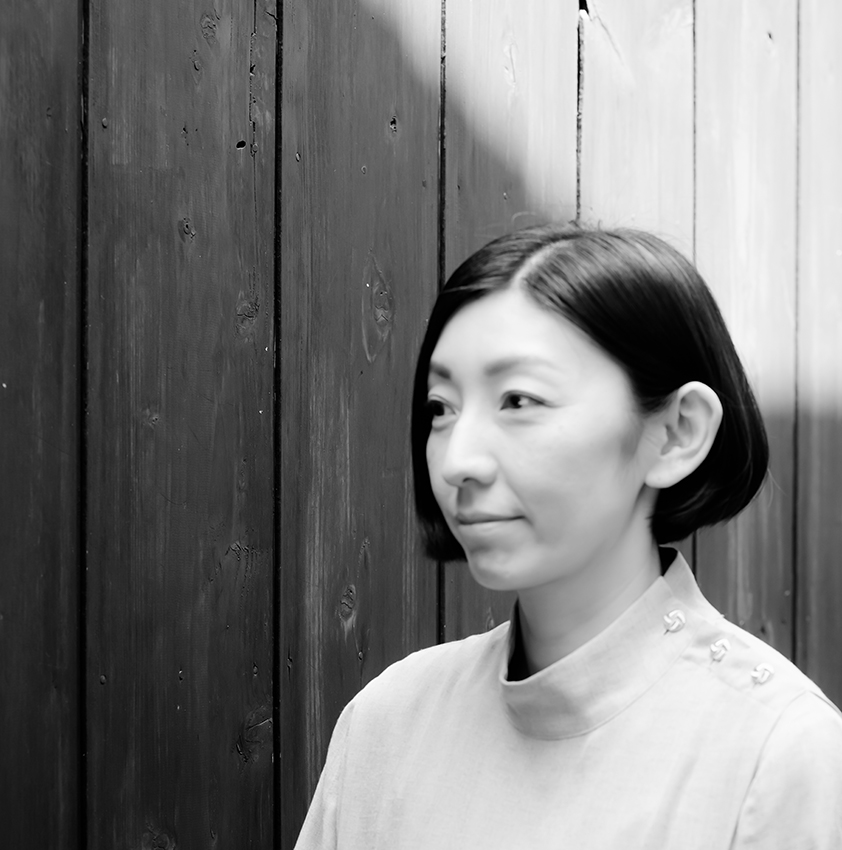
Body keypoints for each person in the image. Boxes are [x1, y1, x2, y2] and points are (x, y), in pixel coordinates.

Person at [295, 225, 842, 849]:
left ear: (676, 433)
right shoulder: (387, 722)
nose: (458, 461)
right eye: (441, 408)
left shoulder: (779, 754)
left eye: (518, 400)